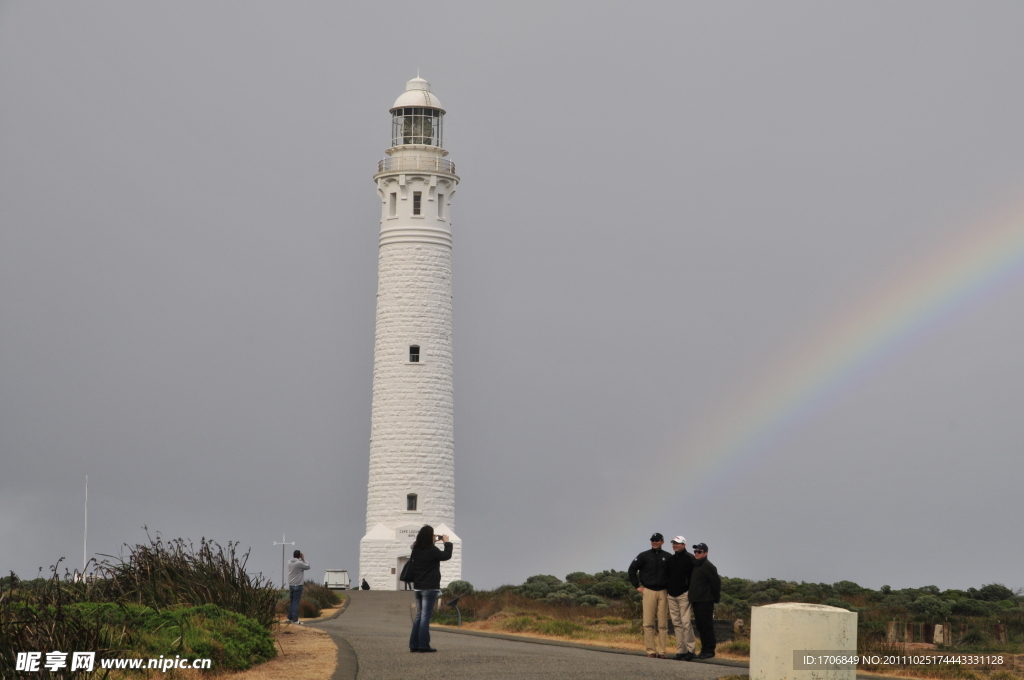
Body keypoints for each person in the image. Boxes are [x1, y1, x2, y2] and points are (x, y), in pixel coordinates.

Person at [408, 525, 453, 653]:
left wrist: (432, 541)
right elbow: (446, 555)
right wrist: (447, 542)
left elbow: (424, 550)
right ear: (430, 537)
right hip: (430, 587)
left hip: (418, 587)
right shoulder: (432, 550)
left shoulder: (415, 549)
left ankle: (414, 644)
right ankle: (423, 645)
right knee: (425, 617)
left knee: (419, 616)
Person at [628, 532, 671, 658]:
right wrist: (637, 586)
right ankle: (651, 651)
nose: (655, 542)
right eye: (653, 540)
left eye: (657, 540)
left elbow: (674, 573)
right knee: (648, 623)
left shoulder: (668, 557)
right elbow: (632, 570)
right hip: (649, 591)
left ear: (662, 541)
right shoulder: (644, 556)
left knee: (663, 624)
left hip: (663, 592)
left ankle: (662, 652)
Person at [666, 536, 697, 661]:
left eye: (678, 543)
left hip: (684, 594)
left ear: (684, 544)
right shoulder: (671, 559)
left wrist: (689, 590)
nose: (675, 545)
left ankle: (691, 650)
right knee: (676, 623)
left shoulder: (690, 558)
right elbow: (667, 575)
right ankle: (681, 650)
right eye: (674, 543)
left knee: (686, 623)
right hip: (671, 594)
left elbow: (693, 577)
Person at [688, 542, 721, 659]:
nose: (696, 553)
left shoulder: (708, 566)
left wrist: (715, 598)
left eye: (699, 551)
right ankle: (704, 649)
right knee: (700, 626)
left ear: (706, 553)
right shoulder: (697, 565)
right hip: (696, 600)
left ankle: (709, 650)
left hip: (705, 600)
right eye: (695, 551)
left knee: (706, 626)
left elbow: (716, 583)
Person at [286, 550, 310, 624]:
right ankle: (295, 620)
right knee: (296, 603)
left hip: (291, 584)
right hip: (298, 585)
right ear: (299, 555)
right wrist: (303, 559)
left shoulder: (289, 562)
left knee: (292, 602)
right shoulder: (299, 563)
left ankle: (290, 618)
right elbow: (308, 566)